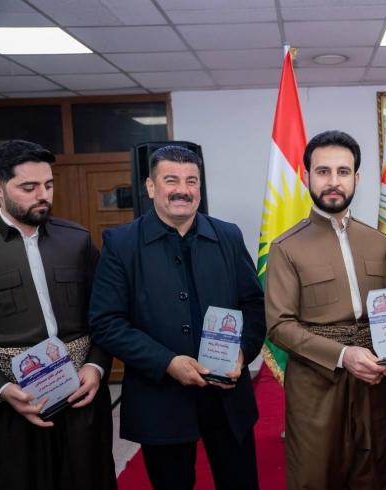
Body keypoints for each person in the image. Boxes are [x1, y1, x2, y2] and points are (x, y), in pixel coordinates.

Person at [88, 146, 265, 490]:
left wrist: (243, 352)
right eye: (171, 180)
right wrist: (167, 363)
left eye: (191, 181)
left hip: (227, 396)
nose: (182, 189)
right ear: (151, 186)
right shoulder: (121, 243)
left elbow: (254, 304)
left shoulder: (228, 235)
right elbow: (106, 322)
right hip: (160, 397)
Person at [265, 130, 386, 490]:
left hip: (373, 380)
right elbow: (279, 326)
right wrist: (343, 355)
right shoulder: (286, 247)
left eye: (343, 171)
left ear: (356, 178)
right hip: (316, 384)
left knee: (375, 474)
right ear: (306, 177)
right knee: (315, 477)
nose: (333, 181)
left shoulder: (378, 242)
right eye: (323, 171)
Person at [0, 140, 115, 490]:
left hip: (82, 395)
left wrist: (96, 367)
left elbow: (107, 316)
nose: (43, 195)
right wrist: (2, 390)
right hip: (12, 406)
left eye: (48, 184)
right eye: (29, 187)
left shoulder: (77, 240)